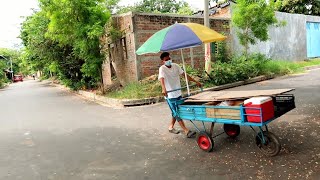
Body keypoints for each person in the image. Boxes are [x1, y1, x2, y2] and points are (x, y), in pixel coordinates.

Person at [158, 52, 202, 138]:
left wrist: (196, 81)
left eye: (169, 59)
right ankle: (186, 130)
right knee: (177, 112)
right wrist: (164, 89)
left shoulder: (176, 66)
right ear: (162, 61)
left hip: (178, 93)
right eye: (166, 60)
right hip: (170, 95)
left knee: (175, 111)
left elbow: (185, 75)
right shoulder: (162, 69)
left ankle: (171, 127)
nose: (168, 61)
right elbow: (162, 79)